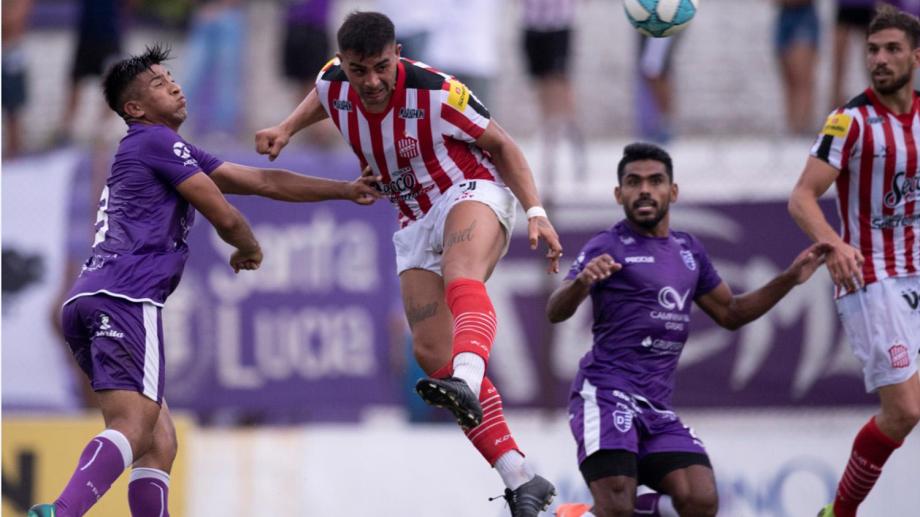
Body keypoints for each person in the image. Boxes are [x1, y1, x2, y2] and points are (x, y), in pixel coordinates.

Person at [27, 44, 379, 517]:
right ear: (135, 108)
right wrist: (249, 248)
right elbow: (224, 215)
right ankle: (62, 511)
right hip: (126, 296)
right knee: (134, 426)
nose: (174, 87)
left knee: (159, 441)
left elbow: (262, 182)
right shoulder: (155, 141)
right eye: (158, 84)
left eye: (171, 78)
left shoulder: (166, 150)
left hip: (92, 297)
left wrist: (344, 190)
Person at [255, 12, 563, 516]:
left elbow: (502, 144)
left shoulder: (438, 92)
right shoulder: (334, 81)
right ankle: (521, 476)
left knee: (461, 272)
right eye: (359, 71)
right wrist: (286, 128)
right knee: (429, 350)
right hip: (413, 215)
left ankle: (467, 377)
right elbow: (323, 93)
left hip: (469, 189)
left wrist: (535, 211)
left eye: (382, 67)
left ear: (397, 54)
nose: (372, 81)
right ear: (344, 64)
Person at [547, 143, 830, 517]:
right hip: (607, 393)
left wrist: (790, 278)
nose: (644, 190)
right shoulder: (608, 245)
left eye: (655, 181)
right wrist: (582, 282)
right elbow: (556, 311)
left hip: (657, 406)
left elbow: (731, 312)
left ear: (673, 191)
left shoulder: (688, 250)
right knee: (616, 504)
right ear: (619, 194)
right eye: (633, 182)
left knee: (700, 500)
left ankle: (581, 515)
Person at [788, 5, 920, 517]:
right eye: (872, 50)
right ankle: (840, 512)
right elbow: (802, 197)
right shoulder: (849, 121)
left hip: (916, 271)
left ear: (916, 56)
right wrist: (836, 244)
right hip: (871, 278)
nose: (880, 59)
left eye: (892, 49)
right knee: (904, 410)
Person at [521, 0, 587, 179]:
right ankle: (556, 137)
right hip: (532, 24)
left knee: (558, 85)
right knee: (542, 88)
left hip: (558, 24)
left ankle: (556, 146)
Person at [774, 0, 820, 135]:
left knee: (802, 76)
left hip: (803, 15)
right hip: (784, 15)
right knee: (789, 78)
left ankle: (802, 126)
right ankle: (792, 126)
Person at [831, 0, 876, 109]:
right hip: (846, 5)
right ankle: (836, 102)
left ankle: (878, 96)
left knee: (872, 57)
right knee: (839, 59)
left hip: (867, 6)